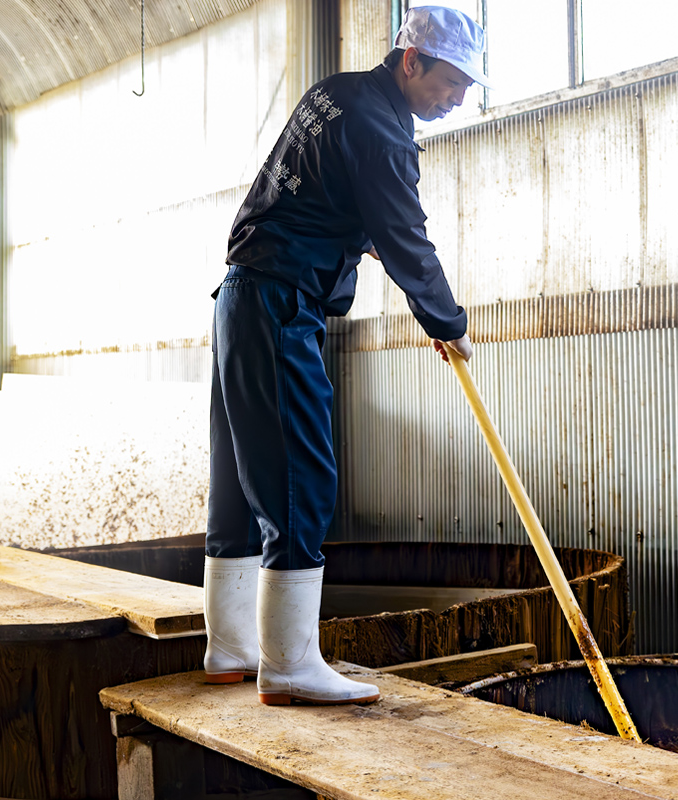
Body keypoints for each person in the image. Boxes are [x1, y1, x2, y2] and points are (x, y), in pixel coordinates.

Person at [201, 6, 487, 706]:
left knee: (244, 480)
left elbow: (325, 205)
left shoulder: (335, 93)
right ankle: (292, 665)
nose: (456, 99)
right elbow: (405, 238)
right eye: (450, 83)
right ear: (411, 61)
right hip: (279, 303)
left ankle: (231, 645)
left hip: (242, 295)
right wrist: (445, 320)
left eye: (467, 89)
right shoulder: (382, 133)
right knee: (302, 478)